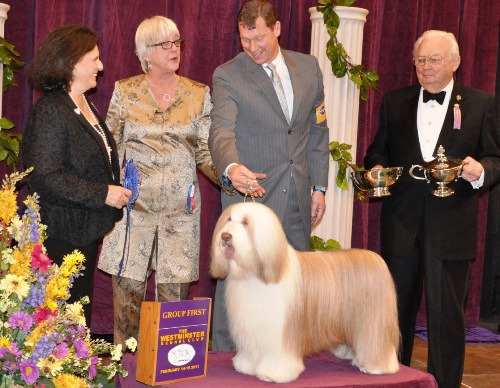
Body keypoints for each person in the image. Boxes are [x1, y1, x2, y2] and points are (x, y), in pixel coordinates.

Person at [364, 30, 500, 388]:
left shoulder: (482, 103)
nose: (425, 67)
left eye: (433, 59)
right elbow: (378, 150)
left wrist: (480, 171)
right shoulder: (395, 101)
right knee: (394, 317)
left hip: (451, 226)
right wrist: (376, 167)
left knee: (446, 320)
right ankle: (393, 381)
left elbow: (495, 158)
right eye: (419, 60)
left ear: (455, 62)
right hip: (402, 224)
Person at [208, 0, 330, 351]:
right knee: (239, 290)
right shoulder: (228, 74)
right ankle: (225, 363)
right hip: (251, 199)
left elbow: (317, 131)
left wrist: (319, 186)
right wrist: (231, 168)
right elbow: (221, 132)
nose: (252, 47)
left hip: (298, 197)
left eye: (259, 37)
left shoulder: (309, 68)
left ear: (276, 29)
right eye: (245, 39)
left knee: (293, 291)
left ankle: (286, 356)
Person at [97, 16, 219, 346]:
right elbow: (110, 147)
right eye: (164, 44)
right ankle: (125, 372)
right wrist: (110, 190)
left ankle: (171, 376)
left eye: (177, 41)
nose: (174, 49)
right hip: (132, 213)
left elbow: (205, 153)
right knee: (128, 302)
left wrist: (230, 176)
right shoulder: (126, 91)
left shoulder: (198, 94)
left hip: (180, 215)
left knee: (174, 308)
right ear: (145, 53)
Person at [22, 25, 131, 326]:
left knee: (75, 320)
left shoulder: (84, 104)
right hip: (59, 235)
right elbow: (44, 175)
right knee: (58, 325)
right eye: (94, 59)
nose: (102, 66)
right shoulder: (51, 110)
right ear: (71, 63)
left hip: (82, 231)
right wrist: (103, 193)